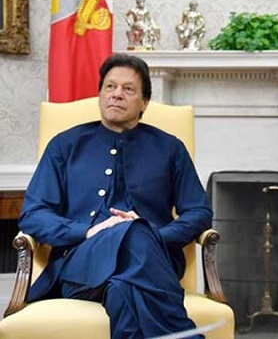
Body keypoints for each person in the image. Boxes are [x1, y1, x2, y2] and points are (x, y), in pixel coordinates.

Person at [19, 53, 212, 338]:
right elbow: (33, 214)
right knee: (134, 231)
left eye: (128, 89)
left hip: (151, 256)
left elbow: (199, 212)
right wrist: (88, 231)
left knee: (122, 289)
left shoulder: (170, 148)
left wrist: (155, 235)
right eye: (110, 87)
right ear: (100, 94)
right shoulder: (65, 145)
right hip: (80, 263)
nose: (116, 95)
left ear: (144, 102)